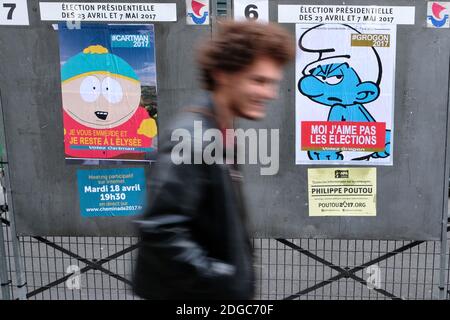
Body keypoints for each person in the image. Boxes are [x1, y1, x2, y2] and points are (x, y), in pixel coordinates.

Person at [132, 20, 294, 300]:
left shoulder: (214, 129)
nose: (270, 93)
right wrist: (223, 282)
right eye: (259, 80)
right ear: (222, 74)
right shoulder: (192, 137)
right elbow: (160, 230)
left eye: (272, 83)